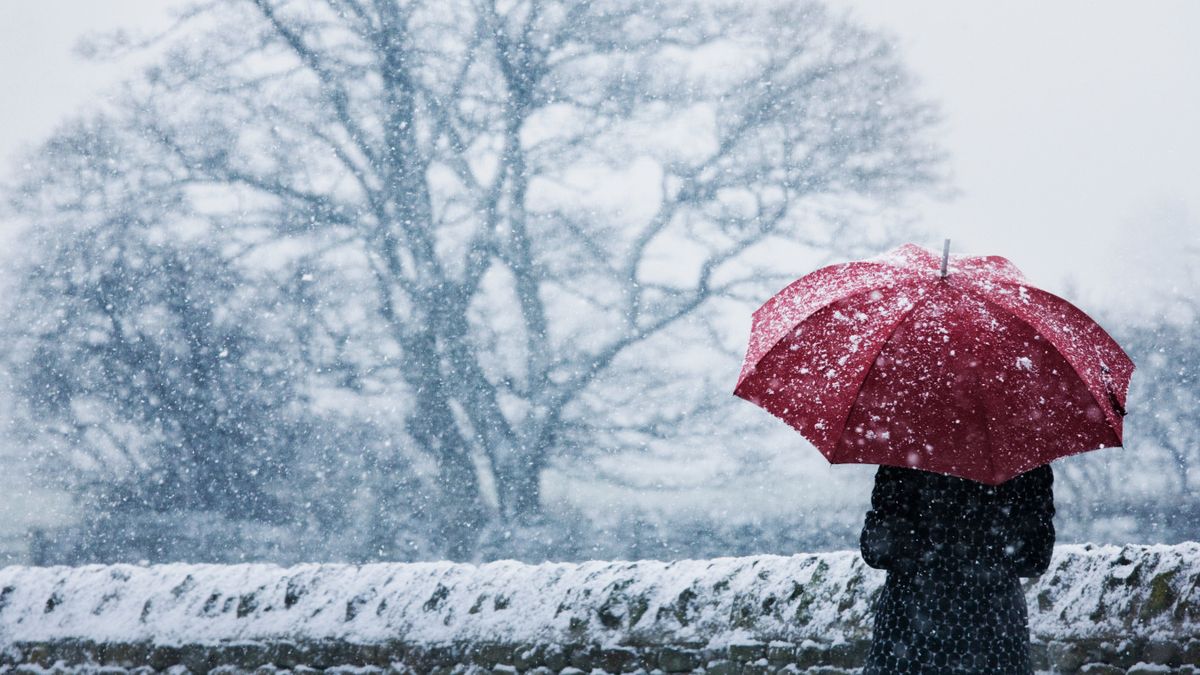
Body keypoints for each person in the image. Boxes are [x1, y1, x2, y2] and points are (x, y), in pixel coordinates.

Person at [859, 463, 1055, 674]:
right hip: (996, 637)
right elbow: (1035, 559)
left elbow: (877, 552)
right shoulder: (1020, 456)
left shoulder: (905, 453)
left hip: (909, 637)